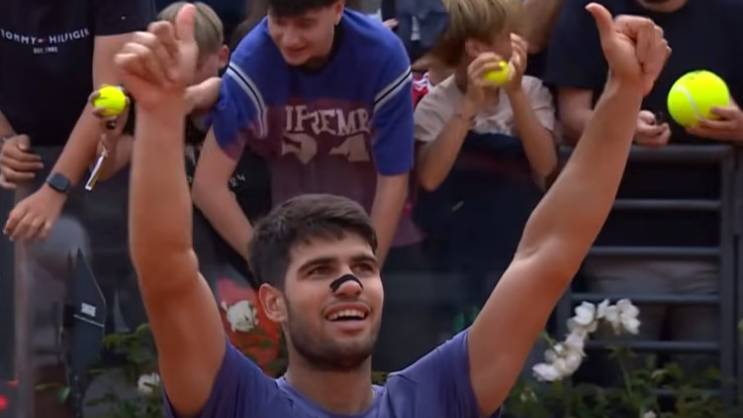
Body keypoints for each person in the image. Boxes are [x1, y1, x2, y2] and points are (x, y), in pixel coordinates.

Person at [117, 3, 669, 418]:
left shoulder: (440, 397)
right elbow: (168, 271)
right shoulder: (236, 401)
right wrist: (161, 115)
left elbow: (549, 253)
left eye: (362, 266)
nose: (349, 282)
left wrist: (624, 93)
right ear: (272, 302)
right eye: (319, 270)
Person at [190, 0, 440, 370]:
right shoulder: (255, 59)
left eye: (305, 24)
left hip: (386, 243)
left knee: (403, 378)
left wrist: (365, 269)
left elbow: (394, 182)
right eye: (279, 22)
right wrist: (272, 264)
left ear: (337, 9)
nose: (289, 38)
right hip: (298, 255)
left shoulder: (380, 54)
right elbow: (207, 186)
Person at [544, 0, 743, 373]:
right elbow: (571, 118)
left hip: (716, 246)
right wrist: (623, 124)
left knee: (706, 386)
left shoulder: (732, 12)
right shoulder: (590, 11)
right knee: (621, 383)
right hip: (617, 241)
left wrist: (739, 127)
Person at [0, 1, 153, 416]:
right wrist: (5, 141)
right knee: (26, 313)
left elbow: (108, 97)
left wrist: (57, 186)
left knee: (106, 300)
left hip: (112, 149)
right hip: (27, 147)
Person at [413, 0, 557, 331]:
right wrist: (468, 107)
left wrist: (516, 94)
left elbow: (546, 164)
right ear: (476, 48)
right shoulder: (435, 105)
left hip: (520, 245)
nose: (519, 42)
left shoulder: (532, 91)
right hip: (456, 254)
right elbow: (430, 179)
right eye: (509, 36)